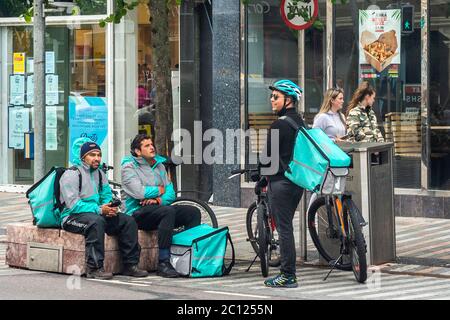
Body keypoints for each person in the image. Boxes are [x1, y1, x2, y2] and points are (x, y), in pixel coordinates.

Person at [59, 138, 148, 280]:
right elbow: (73, 205)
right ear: (83, 157)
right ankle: (94, 268)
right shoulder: (72, 174)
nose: (97, 158)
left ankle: (130, 265)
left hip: (96, 213)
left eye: (99, 155)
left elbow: (106, 195)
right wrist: (100, 210)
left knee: (127, 220)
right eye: (92, 155)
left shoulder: (100, 174)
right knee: (96, 222)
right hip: (72, 217)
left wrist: (110, 207)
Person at [121, 134, 201, 278]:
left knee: (193, 212)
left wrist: (157, 200)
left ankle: (187, 256)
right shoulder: (128, 167)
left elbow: (170, 193)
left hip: (158, 208)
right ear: (138, 151)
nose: (152, 147)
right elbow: (139, 192)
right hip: (136, 213)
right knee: (167, 211)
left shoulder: (159, 166)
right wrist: (159, 190)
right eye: (147, 145)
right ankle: (163, 262)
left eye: (152, 144)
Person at [259, 79, 305, 288]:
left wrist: (259, 178)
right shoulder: (300, 122)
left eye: (276, 97)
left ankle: (288, 275)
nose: (272, 100)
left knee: (284, 229)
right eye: (272, 96)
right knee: (287, 227)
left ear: (288, 100)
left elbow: (268, 158)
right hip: (296, 182)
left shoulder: (279, 124)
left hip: (281, 183)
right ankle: (288, 272)